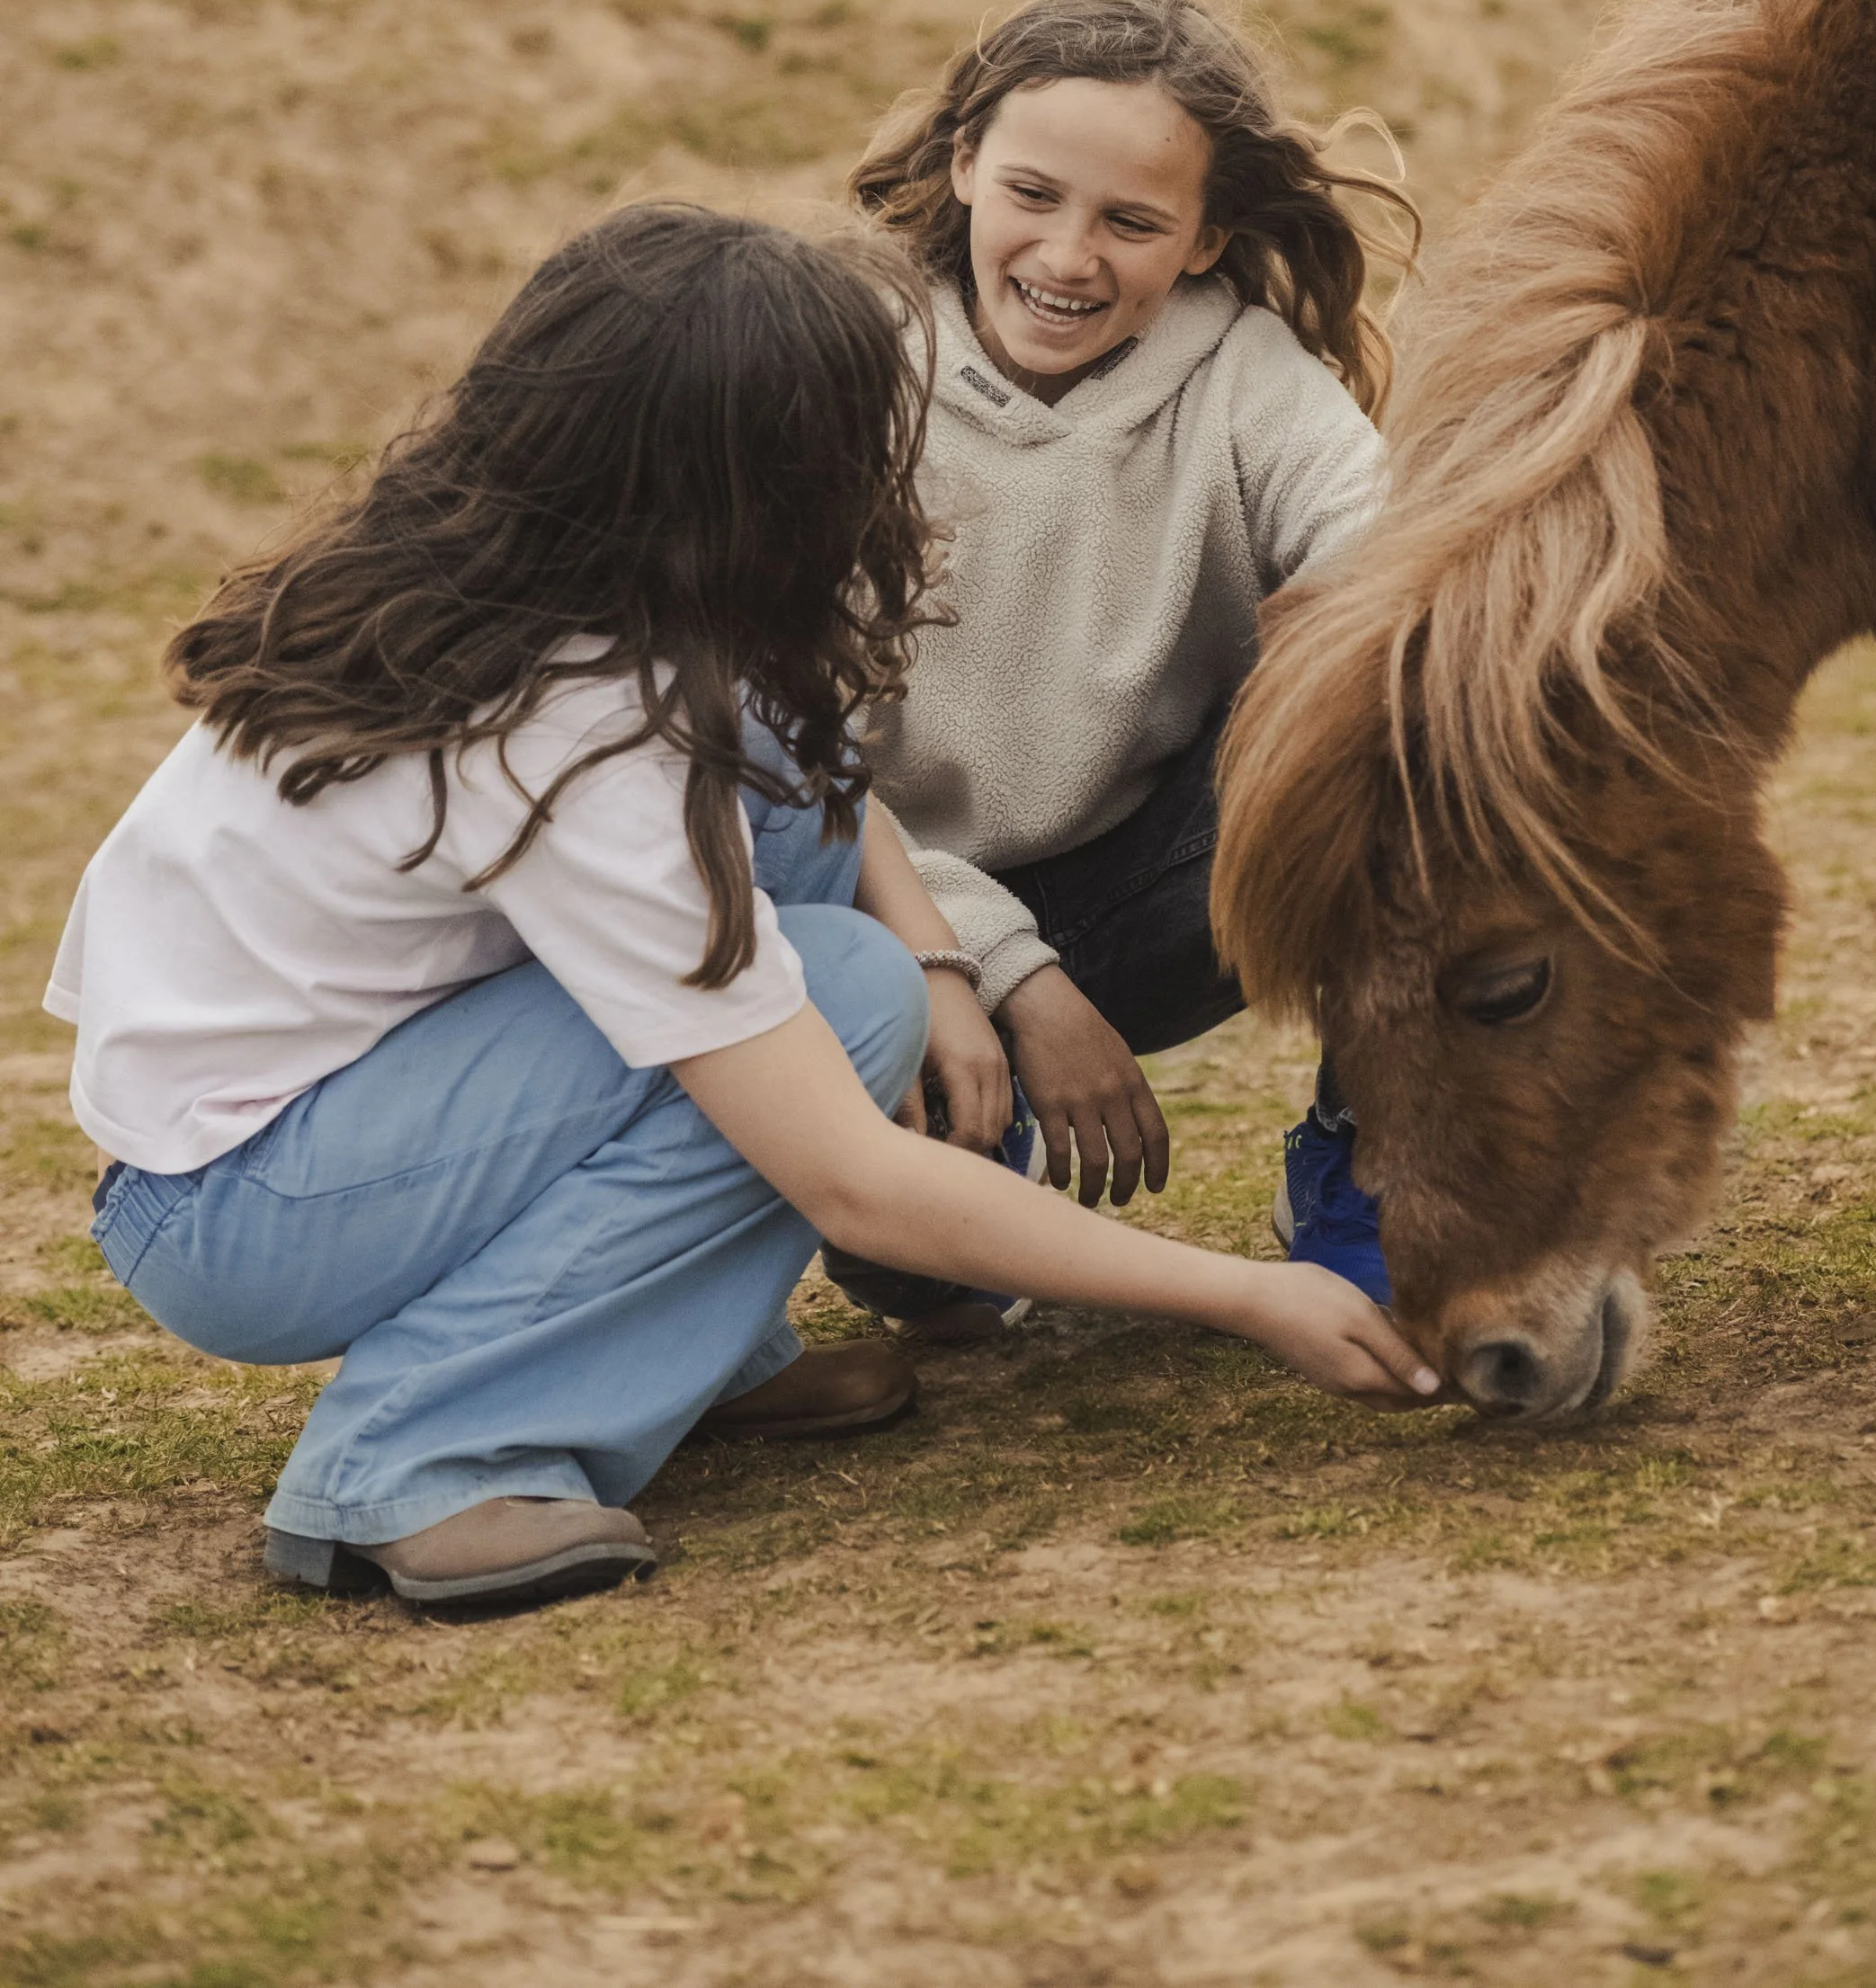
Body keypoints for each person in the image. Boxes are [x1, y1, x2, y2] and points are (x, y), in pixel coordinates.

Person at [48, 204, 1434, 1618]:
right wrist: (1245, 1296)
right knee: (838, 999)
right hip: (246, 1208)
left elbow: (814, 781)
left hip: (299, 1118)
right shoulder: (571, 731)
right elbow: (852, 1179)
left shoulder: (539, 585)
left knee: (828, 890)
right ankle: (421, 1461)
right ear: (748, 487)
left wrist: (956, 962)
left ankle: (672, 1353)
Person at [832, 0, 1413, 1338]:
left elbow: (1394, 566)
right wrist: (999, 973)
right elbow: (772, 761)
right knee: (931, 1282)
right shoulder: (835, 372)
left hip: (1172, 882)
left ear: (1206, 237)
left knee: (1413, 698)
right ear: (965, 162)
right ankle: (985, 1168)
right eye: (1034, 193)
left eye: (1132, 221)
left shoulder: (1250, 378)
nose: (1070, 255)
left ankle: (1371, 1146)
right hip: (888, 918)